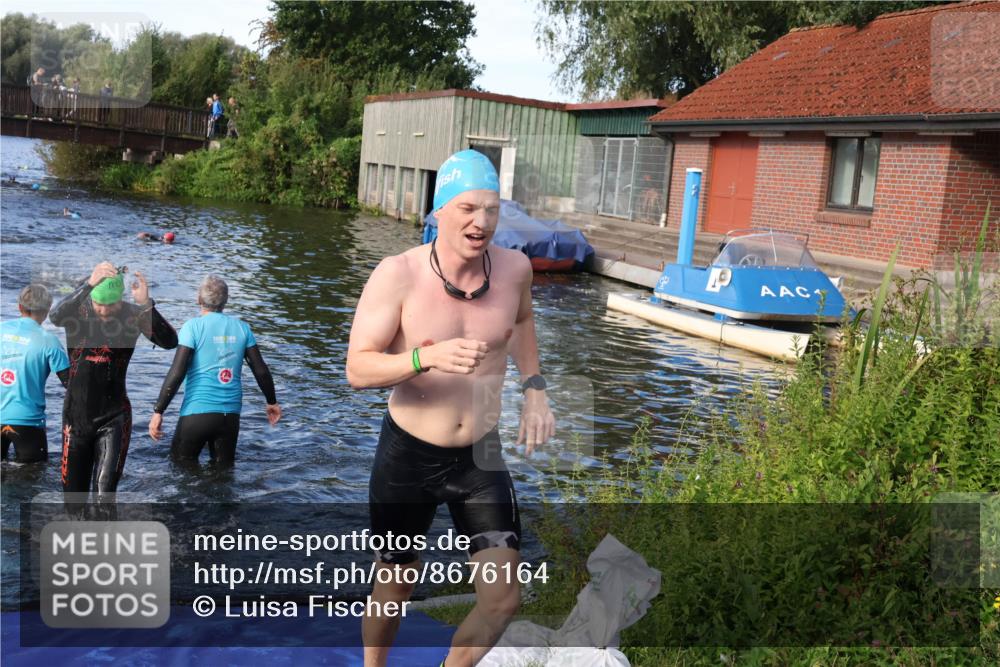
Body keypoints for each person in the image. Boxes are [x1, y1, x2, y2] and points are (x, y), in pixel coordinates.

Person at [346, 149, 555, 667]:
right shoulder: (398, 275)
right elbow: (357, 370)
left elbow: (523, 323)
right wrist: (424, 356)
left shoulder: (514, 270)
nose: (481, 222)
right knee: (396, 583)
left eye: (490, 209)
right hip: (408, 455)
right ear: (439, 211)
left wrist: (534, 388)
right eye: (467, 209)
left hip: (480, 456)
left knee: (503, 599)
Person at [49, 262, 177, 496]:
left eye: (111, 305)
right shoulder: (79, 310)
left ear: (121, 299)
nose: (104, 310)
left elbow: (170, 342)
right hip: (76, 419)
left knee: (104, 497)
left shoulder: (133, 315)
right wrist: (88, 284)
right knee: (73, 501)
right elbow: (55, 316)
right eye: (99, 304)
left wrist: (147, 305)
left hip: (114, 416)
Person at [149, 275, 281, 466]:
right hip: (230, 417)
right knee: (223, 475)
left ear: (199, 299)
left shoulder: (192, 327)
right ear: (225, 301)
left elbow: (177, 372)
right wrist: (272, 402)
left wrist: (158, 411)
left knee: (181, 470)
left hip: (196, 413)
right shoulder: (243, 329)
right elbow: (260, 370)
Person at [1, 285, 70, 463]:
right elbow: (70, 384)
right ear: (46, 310)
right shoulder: (49, 341)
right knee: (30, 481)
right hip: (28, 422)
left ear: (19, 307)